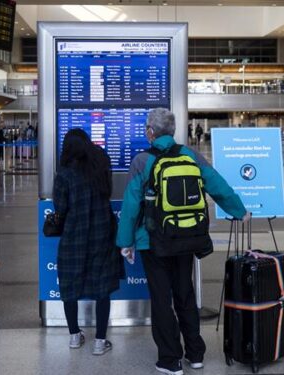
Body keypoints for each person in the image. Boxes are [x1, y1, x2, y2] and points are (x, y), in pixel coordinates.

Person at [116, 108, 250, 375]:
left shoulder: (143, 161)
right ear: (173, 131)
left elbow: (131, 205)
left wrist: (126, 242)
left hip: (153, 242)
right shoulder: (190, 155)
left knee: (162, 300)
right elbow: (217, 184)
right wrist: (239, 210)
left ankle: (169, 360)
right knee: (185, 294)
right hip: (186, 238)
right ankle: (195, 354)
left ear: (150, 132)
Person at [53, 129, 124, 356]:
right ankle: (100, 341)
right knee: (102, 287)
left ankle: (74, 336)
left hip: (74, 235)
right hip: (102, 233)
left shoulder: (64, 174)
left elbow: (60, 208)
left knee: (69, 285)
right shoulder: (101, 163)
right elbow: (109, 192)